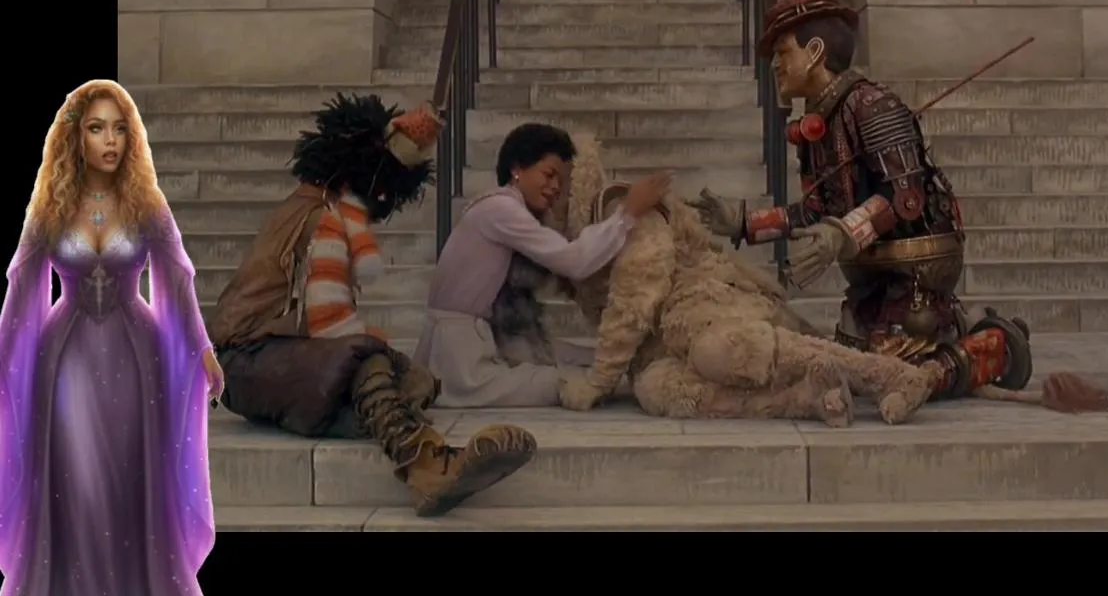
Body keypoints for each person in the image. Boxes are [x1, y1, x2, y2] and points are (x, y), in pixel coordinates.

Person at [688, 0, 1108, 413]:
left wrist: (840, 235)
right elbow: (819, 209)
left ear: (815, 52)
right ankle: (956, 333)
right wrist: (745, 222)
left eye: (783, 52)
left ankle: (996, 345)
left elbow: (905, 198)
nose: (775, 64)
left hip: (917, 267)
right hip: (869, 273)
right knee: (854, 358)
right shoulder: (818, 124)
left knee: (892, 363)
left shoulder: (873, 107)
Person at [207, 94, 538, 518]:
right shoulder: (318, 219)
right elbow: (324, 326)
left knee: (416, 379)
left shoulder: (320, 207)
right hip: (243, 361)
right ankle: (426, 464)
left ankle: (378, 427)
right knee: (366, 357)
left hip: (263, 365)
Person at [542, 133, 936, 425]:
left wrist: (600, 380)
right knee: (657, 388)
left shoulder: (615, 205)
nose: (548, 194)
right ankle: (805, 396)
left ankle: (892, 376)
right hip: (664, 345)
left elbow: (637, 293)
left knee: (718, 348)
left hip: (708, 302)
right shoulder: (578, 241)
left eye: (553, 179)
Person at [0, 79, 218, 594]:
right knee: (76, 478)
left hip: (139, 360)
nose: (110, 140)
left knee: (130, 476)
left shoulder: (147, 204)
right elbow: (21, 285)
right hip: (66, 360)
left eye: (119, 129)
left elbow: (178, 280)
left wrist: (203, 349)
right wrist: (4, 353)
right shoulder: (49, 206)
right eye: (97, 129)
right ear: (76, 137)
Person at [414, 123, 671, 407]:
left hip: (473, 339)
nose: (556, 187)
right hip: (461, 360)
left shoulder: (500, 208)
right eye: (549, 175)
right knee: (566, 379)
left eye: (561, 180)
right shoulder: (500, 209)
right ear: (517, 169)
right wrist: (628, 212)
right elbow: (574, 261)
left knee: (583, 357)